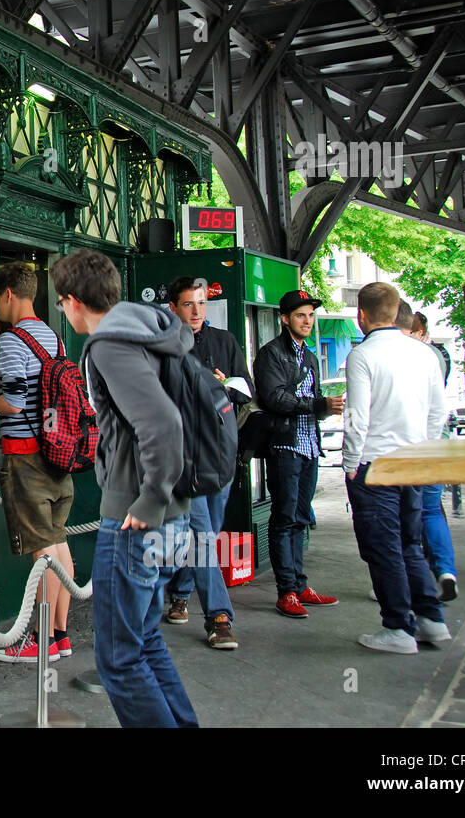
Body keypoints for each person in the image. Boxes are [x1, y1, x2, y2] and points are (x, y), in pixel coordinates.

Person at [53, 247, 197, 727]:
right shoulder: (150, 329)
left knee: (118, 659)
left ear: (73, 301)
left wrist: (149, 498)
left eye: (60, 301)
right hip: (171, 514)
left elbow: (161, 423)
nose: (61, 310)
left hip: (137, 518)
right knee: (144, 641)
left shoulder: (110, 344)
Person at [0, 263, 75, 663]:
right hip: (57, 454)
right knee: (58, 546)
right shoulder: (53, 337)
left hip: (26, 458)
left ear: (9, 294)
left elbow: (14, 403)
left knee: (42, 552)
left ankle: (39, 643)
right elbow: (34, 390)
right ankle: (60, 637)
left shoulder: (11, 339)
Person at [343, 283, 449, 654]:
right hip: (414, 461)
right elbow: (439, 411)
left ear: (362, 315)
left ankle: (398, 627)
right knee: (410, 543)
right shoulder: (425, 354)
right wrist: (425, 448)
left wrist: (350, 462)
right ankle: (431, 619)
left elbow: (358, 416)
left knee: (383, 546)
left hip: (375, 466)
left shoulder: (363, 356)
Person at [163, 275, 250, 649]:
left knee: (206, 536)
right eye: (188, 304)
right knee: (201, 536)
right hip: (185, 461)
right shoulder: (163, 349)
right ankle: (218, 617)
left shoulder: (225, 341)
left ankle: (181, 592)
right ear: (173, 308)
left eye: (201, 303)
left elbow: (246, 392)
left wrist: (224, 385)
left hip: (221, 457)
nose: (197, 311)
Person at [255, 289, 345, 618]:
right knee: (284, 518)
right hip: (284, 446)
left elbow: (313, 397)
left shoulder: (308, 356)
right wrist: (318, 405)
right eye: (300, 316)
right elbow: (274, 399)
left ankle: (299, 584)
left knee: (301, 518)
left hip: (309, 445)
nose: (307, 321)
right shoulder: (271, 354)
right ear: (284, 319)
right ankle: (286, 591)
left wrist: (323, 408)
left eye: (309, 315)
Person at [406, 312, 459, 601]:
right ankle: (446, 571)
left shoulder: (410, 355)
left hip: (413, 445)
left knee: (409, 513)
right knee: (432, 510)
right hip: (437, 441)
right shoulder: (439, 356)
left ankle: (414, 578)